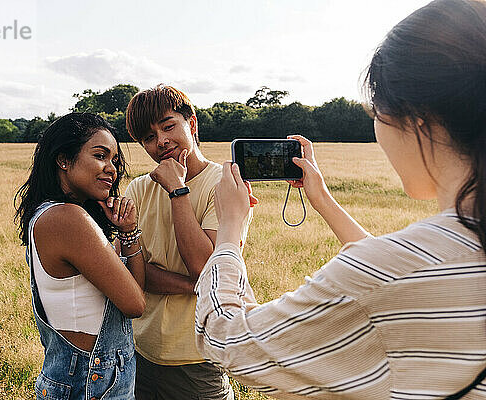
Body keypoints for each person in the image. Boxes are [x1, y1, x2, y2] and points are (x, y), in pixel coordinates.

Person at [194, 0, 486, 398]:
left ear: (416, 118)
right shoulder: (447, 253)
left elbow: (228, 340)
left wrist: (228, 231)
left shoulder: (391, 271)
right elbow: (406, 270)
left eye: (376, 113)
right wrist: (324, 201)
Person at [124, 84, 255, 399]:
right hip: (140, 350)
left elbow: (204, 265)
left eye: (168, 126)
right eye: (149, 137)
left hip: (198, 355)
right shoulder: (138, 189)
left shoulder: (225, 186)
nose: (162, 141)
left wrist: (177, 190)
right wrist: (195, 285)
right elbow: (131, 273)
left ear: (192, 124)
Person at [14, 112, 146, 400]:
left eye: (114, 160)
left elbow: (134, 290)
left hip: (78, 378)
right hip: (90, 382)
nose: (111, 168)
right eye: (100, 155)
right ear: (63, 159)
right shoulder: (67, 218)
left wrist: (128, 232)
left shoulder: (48, 214)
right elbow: (135, 304)